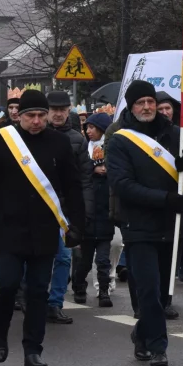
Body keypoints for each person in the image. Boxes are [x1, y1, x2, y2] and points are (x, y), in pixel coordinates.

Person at [0, 88, 85, 366]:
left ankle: (33, 349)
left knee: (38, 291)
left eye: (41, 115)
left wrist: (77, 224)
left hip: (45, 229)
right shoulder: (2, 140)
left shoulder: (59, 143)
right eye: (30, 116)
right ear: (19, 116)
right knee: (7, 285)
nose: (36, 121)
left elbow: (72, 186)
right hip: (8, 229)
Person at [105, 81, 183, 366]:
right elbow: (123, 185)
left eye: (150, 101)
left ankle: (141, 333)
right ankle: (159, 347)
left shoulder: (176, 135)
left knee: (162, 293)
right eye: (140, 103)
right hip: (139, 226)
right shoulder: (121, 140)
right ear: (131, 107)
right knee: (147, 290)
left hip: (173, 225)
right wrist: (164, 199)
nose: (147, 107)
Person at [45, 90, 94, 325]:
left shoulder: (78, 139)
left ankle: (55, 303)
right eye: (54, 110)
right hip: (38, 206)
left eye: (62, 110)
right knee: (36, 257)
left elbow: (85, 179)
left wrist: (84, 213)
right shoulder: (32, 136)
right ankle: (30, 297)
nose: (58, 114)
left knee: (64, 257)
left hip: (64, 209)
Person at [75, 112, 115, 306]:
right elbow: (77, 171)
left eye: (92, 127)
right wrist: (92, 169)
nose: (88, 131)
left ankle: (104, 292)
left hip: (106, 213)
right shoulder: (85, 149)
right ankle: (79, 286)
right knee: (84, 260)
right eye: (87, 127)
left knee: (104, 260)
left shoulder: (112, 148)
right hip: (88, 214)